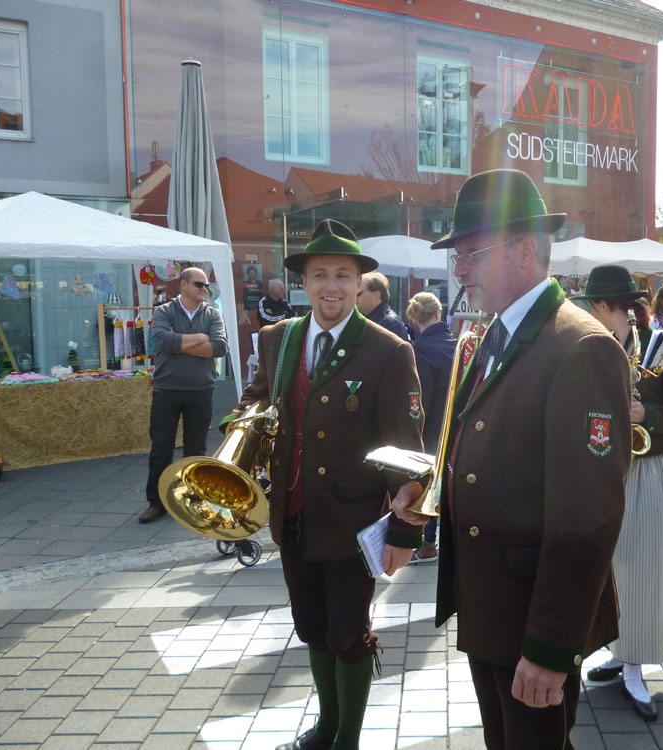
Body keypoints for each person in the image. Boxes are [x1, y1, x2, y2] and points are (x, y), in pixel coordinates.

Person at [390, 169, 631, 750]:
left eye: (471, 253)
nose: (459, 269)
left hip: (532, 617)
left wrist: (550, 648)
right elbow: (482, 450)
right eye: (459, 255)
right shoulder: (492, 334)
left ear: (524, 250)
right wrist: (432, 493)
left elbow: (587, 519)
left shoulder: (580, 346)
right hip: (491, 606)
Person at [224, 220, 425, 750]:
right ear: (304, 283)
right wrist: (242, 428)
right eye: (319, 275)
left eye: (341, 275)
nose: (330, 286)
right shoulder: (278, 338)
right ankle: (326, 728)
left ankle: (346, 741)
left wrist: (406, 532)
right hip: (292, 516)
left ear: (359, 283)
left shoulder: (388, 350)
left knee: (349, 634)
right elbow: (257, 396)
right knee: (311, 628)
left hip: (353, 522)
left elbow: (406, 447)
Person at [577, 264, 663, 722]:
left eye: (592, 307)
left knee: (641, 567)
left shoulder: (662, 347)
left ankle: (633, 664)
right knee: (603, 565)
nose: (588, 314)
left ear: (607, 305)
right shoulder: (587, 346)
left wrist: (645, 413)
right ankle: (614, 647)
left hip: (646, 467)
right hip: (597, 467)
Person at [141, 267, 227, 523]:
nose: (204, 289)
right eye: (199, 284)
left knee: (196, 450)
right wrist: (199, 338)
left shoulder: (212, 313)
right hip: (167, 390)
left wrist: (179, 345)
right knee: (161, 448)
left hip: (200, 390)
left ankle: (192, 500)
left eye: (206, 285)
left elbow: (220, 347)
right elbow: (162, 342)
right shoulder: (164, 311)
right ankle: (157, 502)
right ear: (183, 285)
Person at [404, 291, 457, 563]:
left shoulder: (419, 349)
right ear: (439, 313)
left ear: (415, 319)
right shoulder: (458, 343)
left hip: (432, 429)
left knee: (427, 488)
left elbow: (420, 400)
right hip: (458, 425)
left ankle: (427, 544)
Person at [356, 271, 410, 340]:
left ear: (376, 295)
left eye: (358, 294)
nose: (354, 297)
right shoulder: (366, 318)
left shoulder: (391, 324)